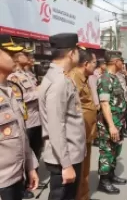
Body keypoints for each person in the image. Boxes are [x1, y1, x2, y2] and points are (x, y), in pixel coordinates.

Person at [38, 33, 86, 200]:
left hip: (68, 154)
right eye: (78, 50)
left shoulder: (59, 77)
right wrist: (66, 165)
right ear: (72, 53)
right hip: (64, 159)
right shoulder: (58, 82)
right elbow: (56, 127)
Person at [0, 34, 39, 200]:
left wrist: (30, 167)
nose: (15, 57)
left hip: (16, 176)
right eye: (9, 52)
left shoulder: (10, 89)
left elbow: (21, 133)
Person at [7, 47, 44, 199]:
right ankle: (22, 187)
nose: (28, 56)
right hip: (27, 121)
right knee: (23, 154)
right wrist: (40, 92)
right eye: (24, 54)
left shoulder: (27, 74)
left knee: (35, 151)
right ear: (16, 58)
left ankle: (31, 180)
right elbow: (21, 99)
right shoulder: (13, 77)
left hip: (37, 119)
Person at [97, 52, 127, 195]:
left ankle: (111, 175)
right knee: (107, 152)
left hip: (118, 122)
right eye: (122, 61)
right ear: (116, 62)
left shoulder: (115, 78)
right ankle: (103, 181)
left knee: (116, 150)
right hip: (109, 124)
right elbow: (104, 104)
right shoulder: (105, 79)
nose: (123, 63)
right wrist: (111, 126)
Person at [69, 50, 97, 200]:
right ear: (86, 64)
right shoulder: (74, 77)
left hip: (86, 134)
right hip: (79, 135)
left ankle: (84, 196)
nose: (95, 67)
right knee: (79, 171)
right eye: (94, 63)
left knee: (85, 169)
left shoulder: (84, 78)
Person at [88, 57, 105, 147]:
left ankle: (99, 136)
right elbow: (94, 90)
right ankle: (95, 138)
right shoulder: (93, 75)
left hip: (100, 100)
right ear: (101, 65)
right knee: (96, 121)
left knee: (100, 120)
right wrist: (97, 103)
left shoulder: (101, 74)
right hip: (96, 102)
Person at [116, 65, 127, 138]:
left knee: (124, 116)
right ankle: (121, 132)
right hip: (119, 100)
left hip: (124, 98)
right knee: (120, 117)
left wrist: (126, 75)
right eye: (122, 68)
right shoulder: (116, 76)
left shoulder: (122, 75)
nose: (124, 69)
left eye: (124, 68)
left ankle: (124, 130)